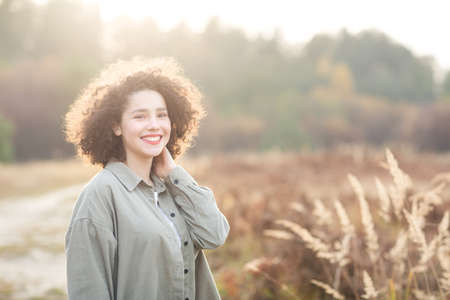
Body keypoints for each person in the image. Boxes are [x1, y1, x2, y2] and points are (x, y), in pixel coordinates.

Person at [64, 57, 230, 300]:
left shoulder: (173, 185)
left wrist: (175, 174)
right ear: (116, 126)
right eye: (140, 116)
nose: (154, 125)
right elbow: (88, 289)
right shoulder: (101, 195)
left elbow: (214, 235)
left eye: (161, 115)